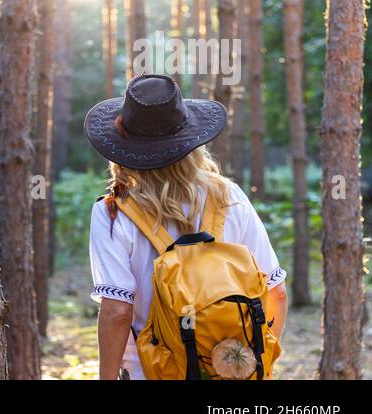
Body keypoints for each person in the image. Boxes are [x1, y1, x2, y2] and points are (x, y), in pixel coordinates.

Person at [85, 75, 289, 380]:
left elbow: (118, 311)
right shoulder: (228, 195)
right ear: (192, 141)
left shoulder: (113, 212)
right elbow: (276, 293)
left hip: (149, 371)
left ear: (123, 149)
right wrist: (253, 363)